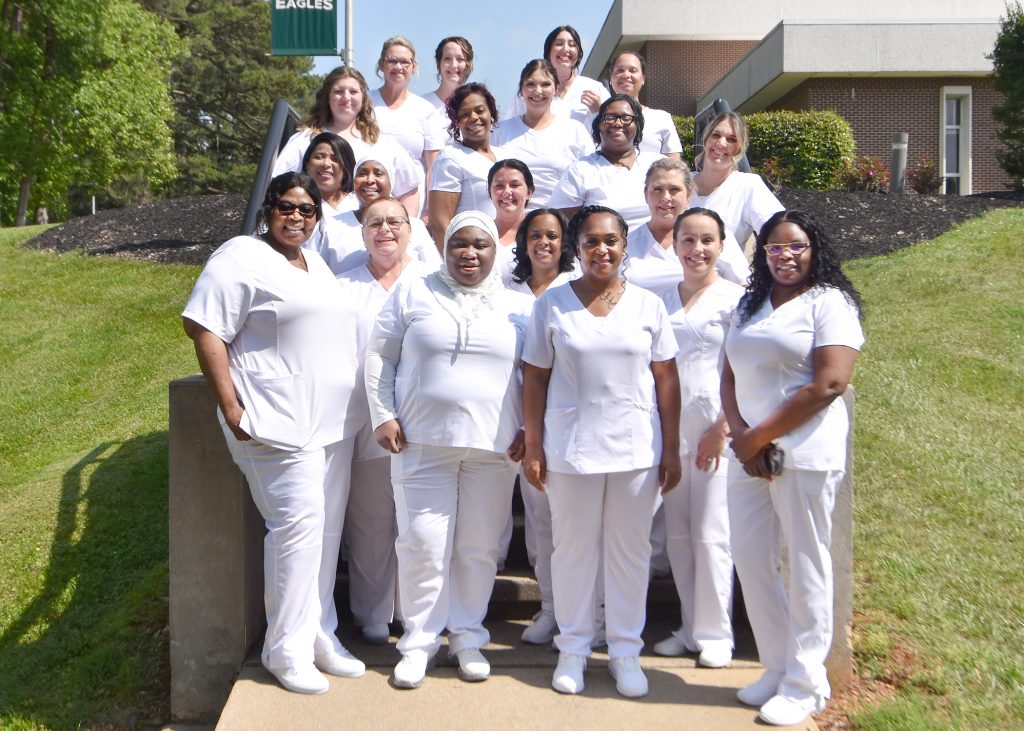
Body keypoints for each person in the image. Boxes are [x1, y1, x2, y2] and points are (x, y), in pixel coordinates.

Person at [181, 172, 366, 694]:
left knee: (324, 536)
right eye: (287, 207)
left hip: (331, 424)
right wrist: (231, 405)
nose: (297, 217)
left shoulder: (315, 263)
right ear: (269, 209)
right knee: (297, 532)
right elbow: (205, 328)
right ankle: (284, 650)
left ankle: (318, 633)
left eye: (307, 211)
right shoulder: (240, 255)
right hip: (278, 422)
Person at [365, 211, 534, 689]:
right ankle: (419, 642)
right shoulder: (415, 289)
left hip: (494, 447)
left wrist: (529, 428)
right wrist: (383, 413)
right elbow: (381, 353)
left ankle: (467, 637)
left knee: (478, 547)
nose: (469, 253)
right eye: (460, 243)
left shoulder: (518, 304)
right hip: (421, 442)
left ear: (494, 251)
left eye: (480, 244)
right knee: (421, 543)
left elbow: (536, 373)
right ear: (445, 248)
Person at [522, 205, 681, 698]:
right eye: (591, 241)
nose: (601, 250)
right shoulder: (552, 305)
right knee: (571, 551)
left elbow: (667, 379)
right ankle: (573, 648)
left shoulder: (649, 306)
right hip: (571, 450)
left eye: (611, 240)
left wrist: (671, 449)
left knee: (630, 553)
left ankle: (625, 652)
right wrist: (533, 445)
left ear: (624, 245)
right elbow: (535, 378)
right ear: (577, 246)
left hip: (636, 451)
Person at [721, 210, 863, 727]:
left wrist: (760, 436)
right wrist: (741, 435)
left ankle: (807, 682)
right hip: (749, 454)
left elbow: (828, 385)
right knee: (751, 557)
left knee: (805, 562)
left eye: (796, 246)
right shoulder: (750, 303)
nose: (785, 256)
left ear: (814, 249)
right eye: (775, 248)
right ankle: (777, 667)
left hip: (802, 454)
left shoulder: (831, 303)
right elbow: (728, 373)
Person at [650, 207, 744, 669]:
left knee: (711, 534)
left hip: (714, 433)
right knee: (680, 537)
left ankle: (716, 633)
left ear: (721, 246)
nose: (697, 250)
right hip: (670, 433)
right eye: (688, 240)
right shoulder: (658, 300)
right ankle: (689, 627)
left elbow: (745, 372)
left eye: (707, 240)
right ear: (675, 244)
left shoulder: (736, 300)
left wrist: (723, 428)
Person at [339, 196, 431, 645]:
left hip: (423, 420)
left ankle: (411, 610)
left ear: (410, 228)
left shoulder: (431, 281)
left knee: (416, 523)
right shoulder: (343, 286)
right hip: (364, 422)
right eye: (374, 223)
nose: (385, 230)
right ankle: (373, 612)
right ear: (362, 233)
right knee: (371, 522)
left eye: (395, 221)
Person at [504, 207, 574, 645]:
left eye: (551, 235)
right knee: (540, 524)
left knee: (575, 526)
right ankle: (550, 609)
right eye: (534, 235)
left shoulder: (578, 289)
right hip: (520, 426)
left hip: (568, 425)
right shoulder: (504, 291)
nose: (543, 243)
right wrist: (526, 431)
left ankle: (585, 614)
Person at [274, 66, 422, 217]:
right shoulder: (304, 140)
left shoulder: (381, 142)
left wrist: (404, 228)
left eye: (353, 92)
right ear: (327, 97)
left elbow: (409, 190)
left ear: (363, 97)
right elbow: (278, 183)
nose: (346, 97)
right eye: (338, 91)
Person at [548, 94, 664, 230]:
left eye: (626, 118)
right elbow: (563, 224)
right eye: (610, 118)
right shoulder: (580, 170)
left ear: (637, 125)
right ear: (598, 125)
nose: (617, 123)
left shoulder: (659, 165)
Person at [314, 155, 440, 275]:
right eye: (362, 173)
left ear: (391, 182)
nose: (369, 180)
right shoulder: (330, 226)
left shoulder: (415, 227)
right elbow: (314, 273)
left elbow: (434, 272)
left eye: (378, 173)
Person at [492, 59, 594, 208]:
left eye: (545, 84)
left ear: (556, 88)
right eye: (530, 84)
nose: (538, 91)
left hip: (562, 221)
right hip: (511, 222)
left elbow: (589, 179)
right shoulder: (499, 131)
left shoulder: (575, 130)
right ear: (521, 90)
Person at [689, 111, 784, 258]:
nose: (721, 143)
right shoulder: (680, 183)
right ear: (706, 140)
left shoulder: (748, 185)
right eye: (716, 135)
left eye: (731, 139)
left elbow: (779, 229)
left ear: (740, 148)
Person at [370, 36, 445, 208]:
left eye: (405, 62)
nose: (398, 67)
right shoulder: (364, 102)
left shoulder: (426, 110)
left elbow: (433, 167)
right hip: (370, 198)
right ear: (381, 64)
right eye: (392, 61)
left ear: (413, 67)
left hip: (413, 203)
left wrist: (430, 211)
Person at [427, 83, 504, 246]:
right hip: (472, 259)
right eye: (464, 114)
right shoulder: (450, 157)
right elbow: (440, 224)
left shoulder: (507, 156)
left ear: (492, 114)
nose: (474, 117)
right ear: (456, 122)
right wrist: (453, 266)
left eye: (480, 110)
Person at [505, 25, 608, 124]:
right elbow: (510, 126)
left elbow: (612, 126)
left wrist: (599, 111)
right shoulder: (530, 90)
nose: (565, 49)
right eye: (559, 44)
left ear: (579, 53)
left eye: (572, 45)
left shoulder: (594, 88)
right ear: (548, 51)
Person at [604, 51, 682, 159]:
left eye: (633, 70)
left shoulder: (662, 118)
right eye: (620, 70)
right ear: (611, 78)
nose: (626, 75)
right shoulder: (599, 119)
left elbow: (674, 162)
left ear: (643, 78)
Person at [489, 158, 535, 285]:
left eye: (515, 185)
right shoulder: (480, 234)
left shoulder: (543, 236)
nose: (507, 191)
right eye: (499, 186)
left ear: (529, 192)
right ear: (490, 192)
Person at [302, 131, 357, 218]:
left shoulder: (358, 204)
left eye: (335, 159)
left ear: (346, 168)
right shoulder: (297, 203)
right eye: (319, 157)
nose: (326, 164)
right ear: (307, 165)